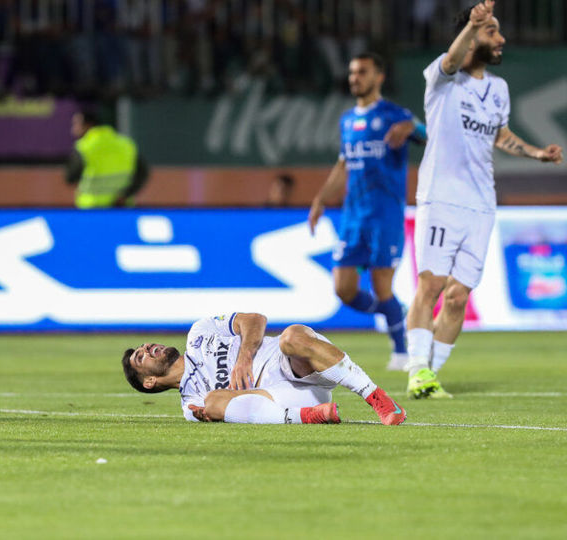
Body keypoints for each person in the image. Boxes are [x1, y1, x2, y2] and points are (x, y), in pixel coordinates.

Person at [405, 1, 563, 399]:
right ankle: (417, 371)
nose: (501, 38)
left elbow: (500, 135)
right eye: (492, 31)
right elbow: (452, 60)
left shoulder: (499, 89)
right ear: (473, 35)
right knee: (431, 285)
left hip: (482, 204)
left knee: (458, 298)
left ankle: (430, 377)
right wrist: (471, 25)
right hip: (441, 198)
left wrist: (535, 153)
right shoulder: (443, 78)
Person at [308, 52, 426, 372]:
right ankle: (393, 313)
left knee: (381, 285)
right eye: (352, 72)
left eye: (362, 72)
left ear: (379, 76)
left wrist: (411, 126)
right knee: (343, 289)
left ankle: (401, 351)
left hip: (384, 214)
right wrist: (320, 199)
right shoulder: (347, 120)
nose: (354, 78)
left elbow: (425, 135)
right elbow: (344, 163)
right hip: (352, 217)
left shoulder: (393, 114)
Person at [120, 312, 406, 426]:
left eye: (143, 346)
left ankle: (376, 397)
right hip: (282, 400)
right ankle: (310, 417)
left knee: (292, 336)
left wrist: (244, 357)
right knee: (212, 402)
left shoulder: (199, 333)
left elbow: (254, 319)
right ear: (149, 382)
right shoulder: (189, 404)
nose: (146, 348)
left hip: (297, 362)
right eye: (140, 358)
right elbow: (223, 409)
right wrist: (223, 403)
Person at [65, 108, 149, 209]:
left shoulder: (84, 147)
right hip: (121, 205)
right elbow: (142, 173)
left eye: (77, 124)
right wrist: (126, 194)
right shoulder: (126, 144)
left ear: (88, 125)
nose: (73, 129)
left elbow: (70, 177)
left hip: (92, 206)